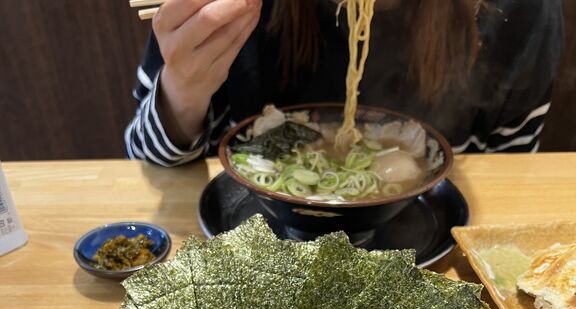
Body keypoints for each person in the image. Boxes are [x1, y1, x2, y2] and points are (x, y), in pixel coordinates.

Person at [125, 0, 564, 167]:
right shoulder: (215, 4)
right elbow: (145, 161)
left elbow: (509, 178)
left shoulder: (518, 11)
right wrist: (183, 90)